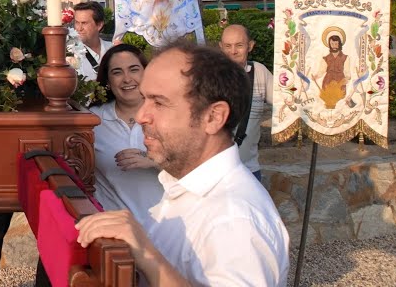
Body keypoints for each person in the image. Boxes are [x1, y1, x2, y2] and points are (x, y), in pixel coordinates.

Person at [77, 41, 289, 285]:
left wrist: (147, 255)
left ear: (213, 117)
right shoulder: (183, 187)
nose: (141, 116)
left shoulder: (234, 221)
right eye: (145, 99)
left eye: (159, 102)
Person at [90, 44, 163, 223]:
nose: (127, 79)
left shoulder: (167, 115)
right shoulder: (92, 120)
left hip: (169, 230)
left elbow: (196, 170)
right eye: (117, 72)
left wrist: (155, 161)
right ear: (107, 80)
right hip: (115, 234)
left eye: (134, 69)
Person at [219, 24, 274, 180]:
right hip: (216, 172)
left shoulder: (259, 72)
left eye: (239, 45)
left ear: (250, 46)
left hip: (249, 169)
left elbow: (285, 101)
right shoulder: (209, 75)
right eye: (228, 46)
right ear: (221, 47)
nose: (233, 51)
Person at [70, 1, 111, 82]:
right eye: (77, 23)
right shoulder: (69, 54)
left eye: (84, 23)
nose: (79, 28)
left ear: (99, 25)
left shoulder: (113, 49)